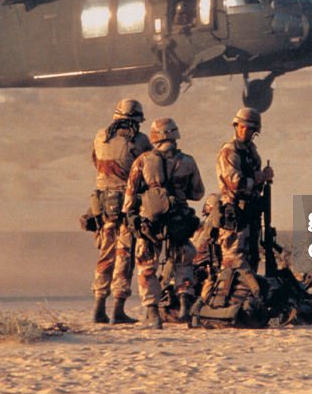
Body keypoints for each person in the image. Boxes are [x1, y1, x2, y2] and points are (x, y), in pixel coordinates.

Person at [123, 118, 204, 328]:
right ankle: (185, 302)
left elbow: (130, 194)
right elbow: (197, 192)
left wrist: (132, 215)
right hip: (178, 220)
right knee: (184, 261)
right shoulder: (188, 161)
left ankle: (153, 313)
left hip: (151, 221)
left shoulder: (142, 160)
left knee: (146, 264)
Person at [198, 107, 274, 304]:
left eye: (250, 129)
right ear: (236, 126)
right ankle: (211, 304)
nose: (246, 132)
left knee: (252, 259)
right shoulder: (229, 150)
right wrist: (259, 177)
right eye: (243, 127)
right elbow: (235, 183)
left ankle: (243, 302)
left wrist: (263, 179)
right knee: (231, 262)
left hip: (251, 213)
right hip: (235, 215)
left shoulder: (251, 151)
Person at [90, 99, 152, 324]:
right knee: (124, 256)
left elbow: (95, 162)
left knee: (104, 255)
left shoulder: (100, 136)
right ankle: (118, 308)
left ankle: (98, 307)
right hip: (127, 206)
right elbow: (148, 167)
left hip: (103, 205)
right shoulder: (140, 141)